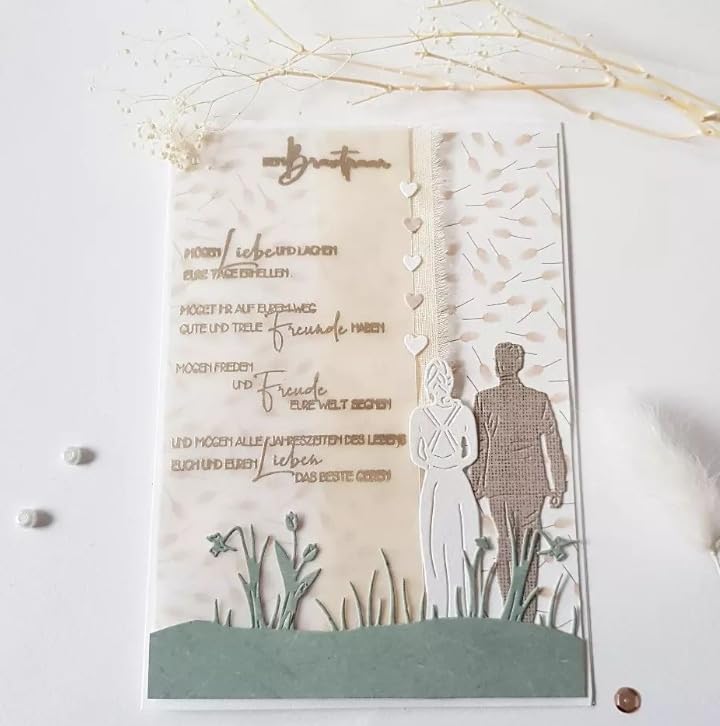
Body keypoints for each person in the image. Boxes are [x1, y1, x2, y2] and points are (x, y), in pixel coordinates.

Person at [469, 342, 566, 623]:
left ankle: (509, 611)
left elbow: (481, 446)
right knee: (529, 547)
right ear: (519, 364)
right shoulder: (537, 399)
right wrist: (558, 484)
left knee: (505, 544)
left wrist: (477, 482)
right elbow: (553, 444)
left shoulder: (485, 399)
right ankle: (528, 614)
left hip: (499, 484)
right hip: (531, 483)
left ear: (499, 366)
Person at [409, 359, 480, 617]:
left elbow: (418, 457)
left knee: (437, 542)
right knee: (458, 540)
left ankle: (443, 607)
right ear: (450, 382)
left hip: (436, 481)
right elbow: (470, 454)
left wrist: (436, 464)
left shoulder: (420, 416)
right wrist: (453, 463)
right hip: (454, 480)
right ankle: (462, 607)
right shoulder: (462, 413)